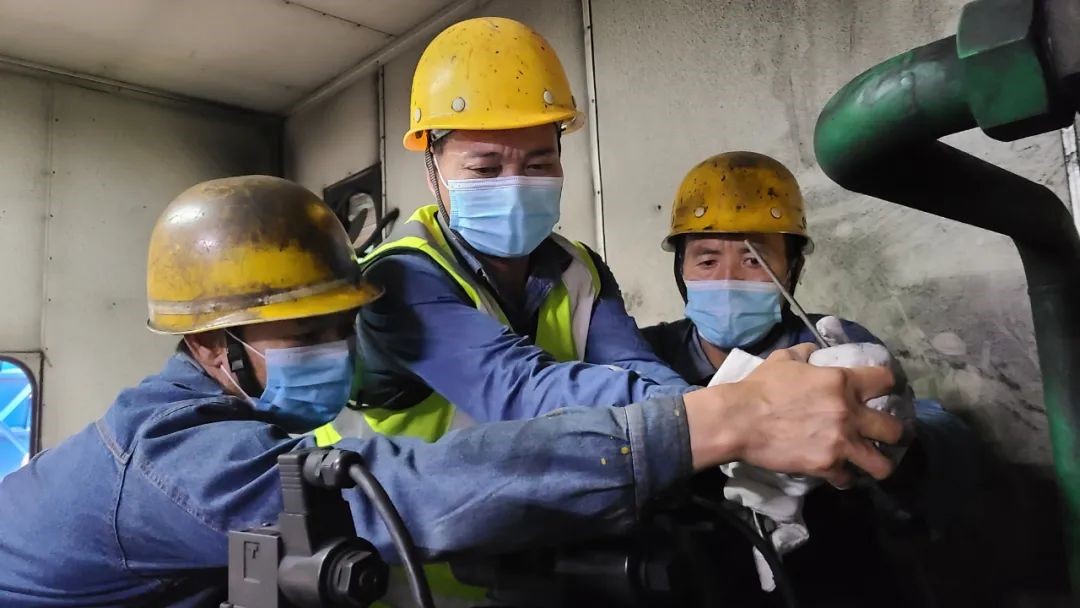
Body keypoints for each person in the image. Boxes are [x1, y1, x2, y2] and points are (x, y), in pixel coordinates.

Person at [0, 175, 905, 607]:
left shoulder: (245, 427)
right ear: (209, 346)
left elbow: (255, 574)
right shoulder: (174, 460)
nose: (336, 355)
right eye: (304, 337)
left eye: (342, 327)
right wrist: (718, 418)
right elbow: (393, 487)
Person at [321, 17, 687, 448]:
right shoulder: (398, 279)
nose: (514, 187)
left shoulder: (579, 268)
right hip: (379, 487)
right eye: (485, 169)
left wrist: (713, 410)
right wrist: (708, 414)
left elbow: (635, 365)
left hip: (520, 484)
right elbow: (516, 388)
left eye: (538, 165)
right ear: (432, 171)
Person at [642, 151, 980, 605]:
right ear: (680, 270)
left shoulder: (832, 346)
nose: (727, 279)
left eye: (754, 260)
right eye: (706, 261)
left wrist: (909, 444)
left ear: (793, 268)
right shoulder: (649, 354)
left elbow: (934, 435)